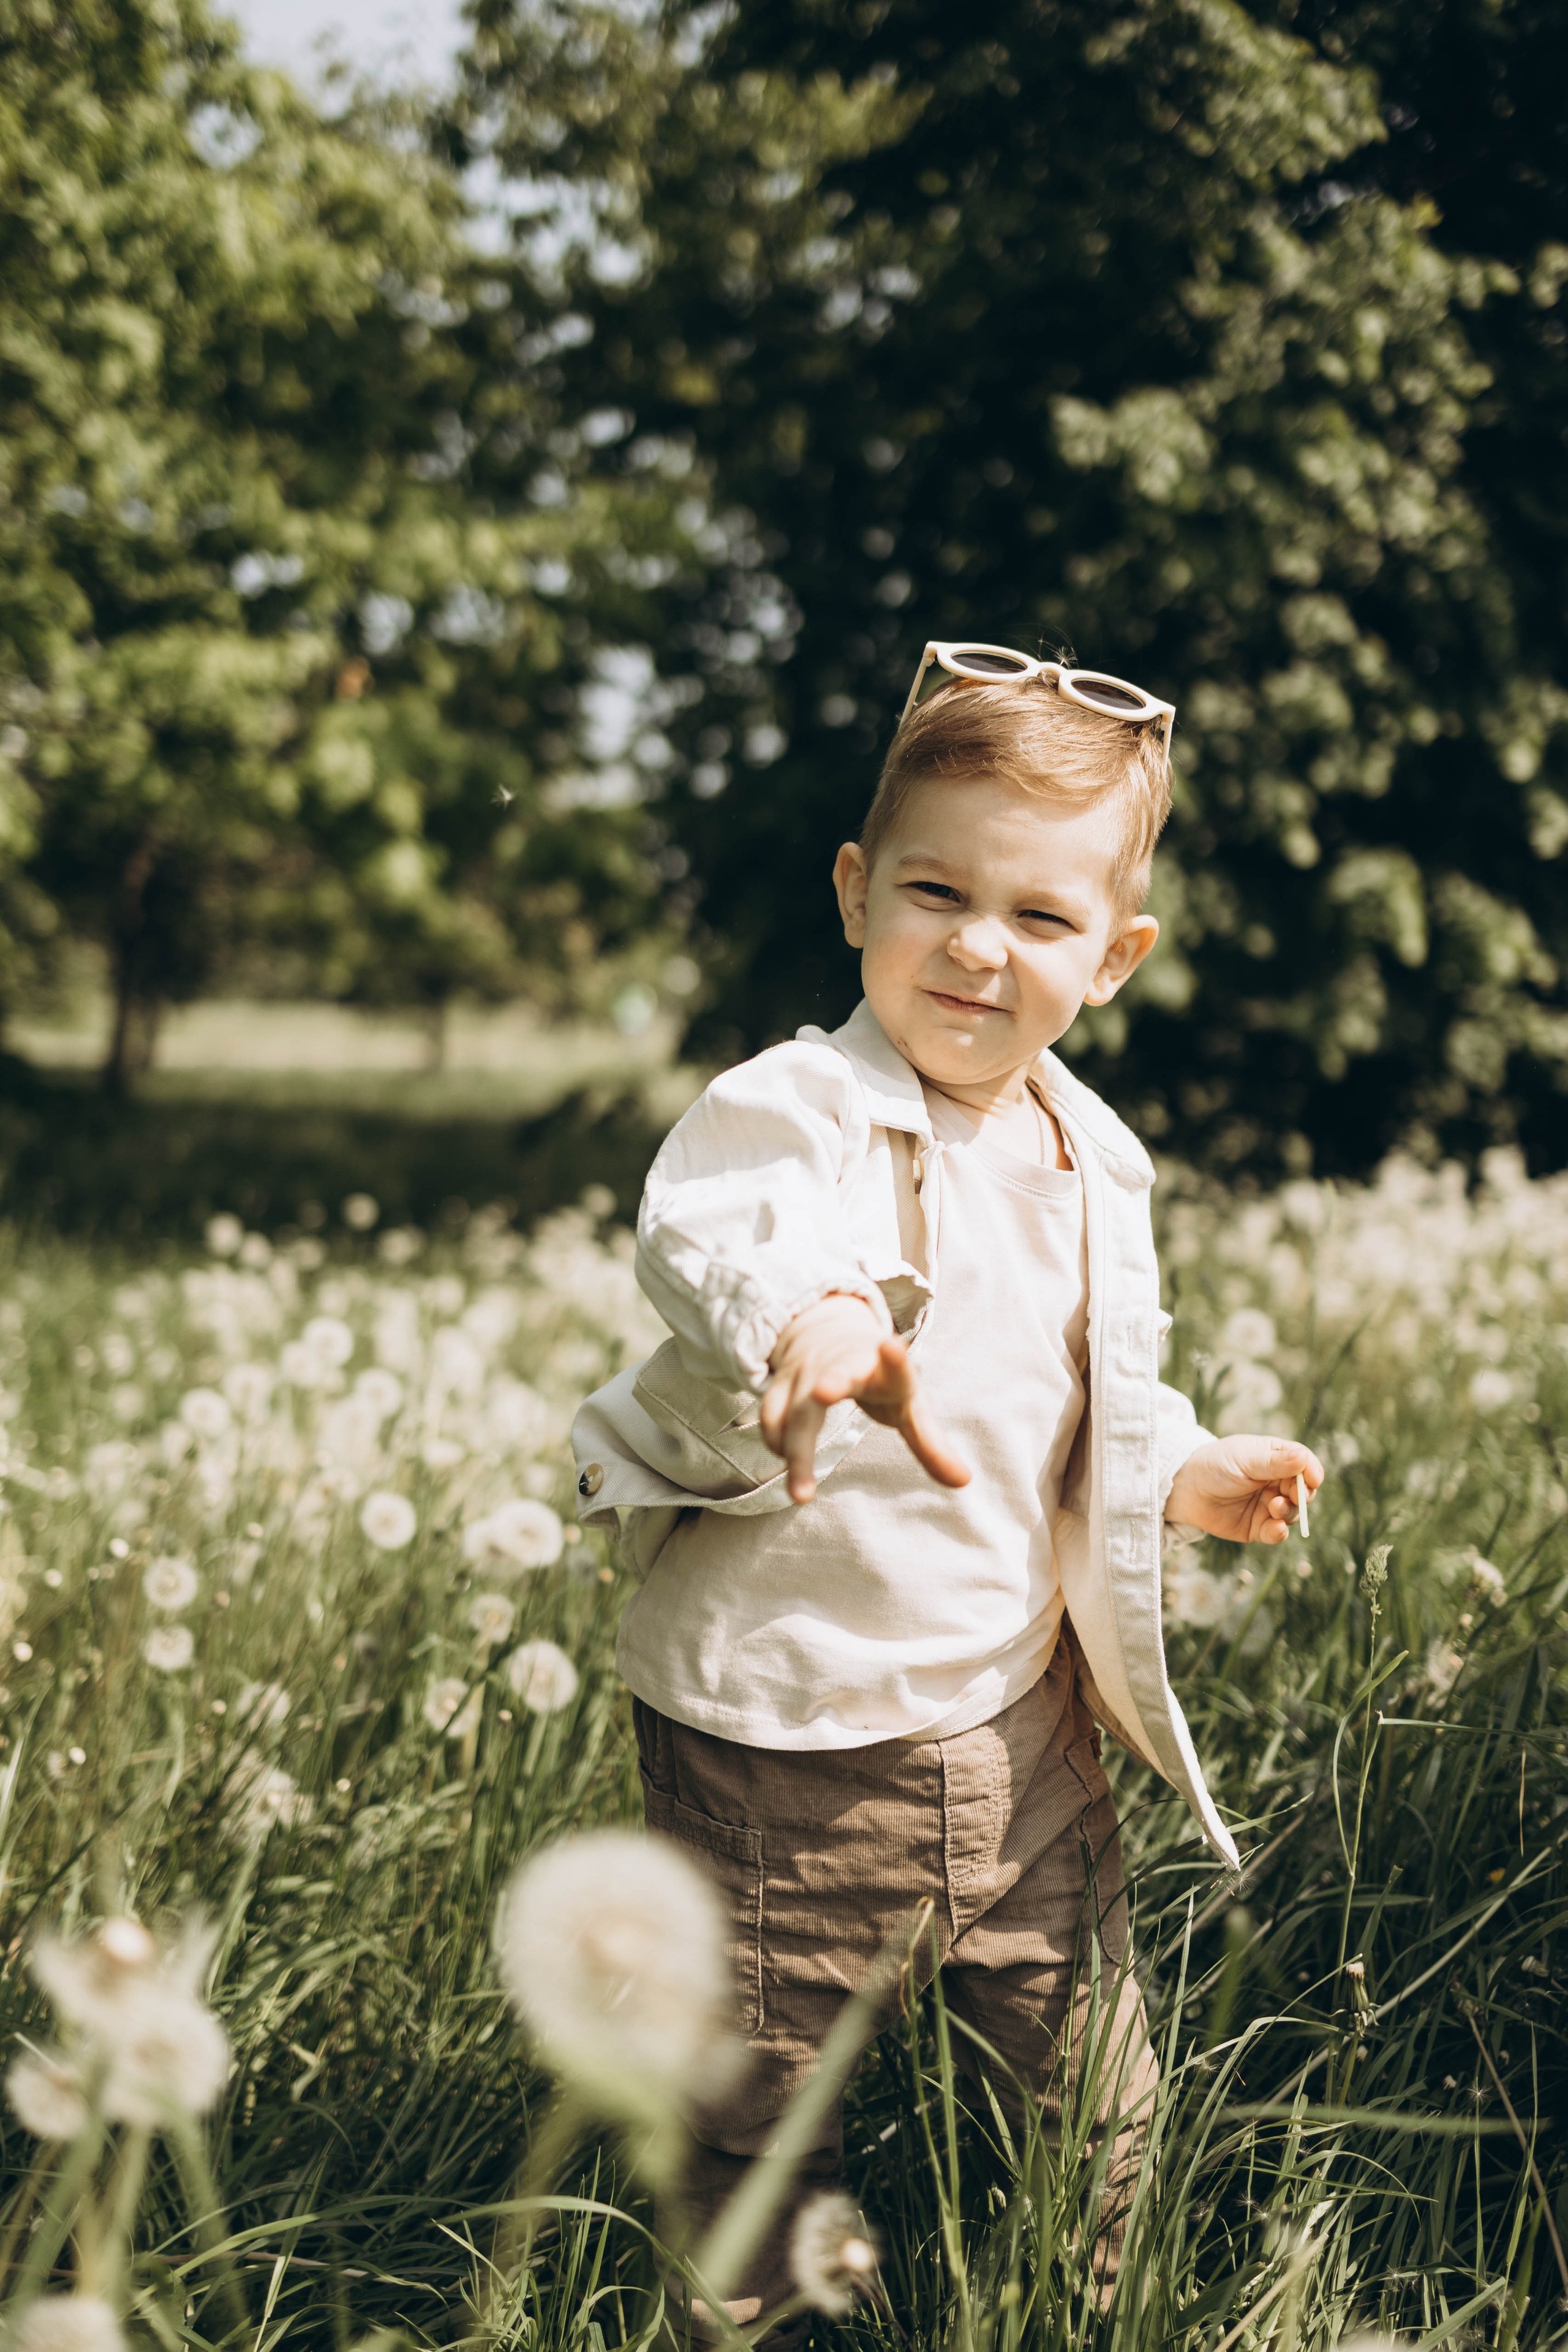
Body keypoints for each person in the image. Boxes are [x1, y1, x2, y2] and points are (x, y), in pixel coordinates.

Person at [572, 641, 1324, 2328]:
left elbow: (1080, 1381)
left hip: (1018, 1728)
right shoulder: (799, 1107)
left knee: (1095, 2109)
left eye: (1040, 917)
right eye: (937, 893)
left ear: (1114, 957)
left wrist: (1186, 1467)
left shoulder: (1090, 1153)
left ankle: (1083, 2301)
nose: (980, 946)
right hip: (782, 1749)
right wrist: (818, 1317)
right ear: (858, 893)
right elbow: (726, 1231)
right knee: (754, 2121)